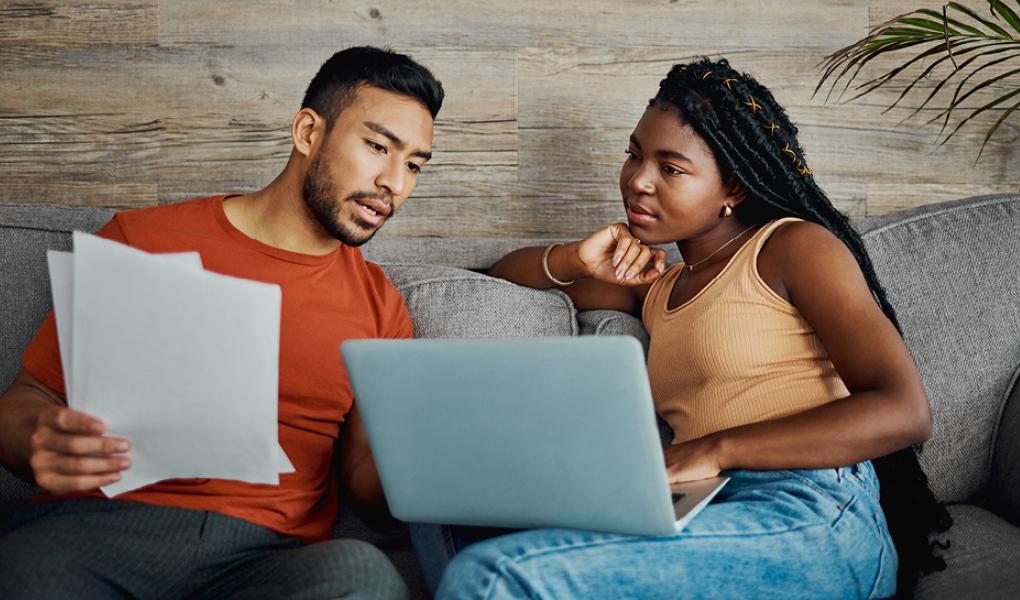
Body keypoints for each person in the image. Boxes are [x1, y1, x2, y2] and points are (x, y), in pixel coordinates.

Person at [412, 57, 951, 599]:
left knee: (495, 575)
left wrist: (713, 450)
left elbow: (903, 409)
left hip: (808, 506)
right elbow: (510, 276)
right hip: (701, 506)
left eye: (670, 168)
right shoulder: (659, 287)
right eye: (634, 155)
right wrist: (578, 258)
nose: (638, 181)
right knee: (440, 503)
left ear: (733, 188)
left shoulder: (792, 248)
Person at [0, 45, 443, 599]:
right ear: (308, 132)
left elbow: (365, 479)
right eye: (378, 146)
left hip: (266, 557)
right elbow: (29, 396)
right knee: (23, 572)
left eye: (414, 165)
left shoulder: (380, 306)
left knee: (361, 576)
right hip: (100, 532)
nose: (394, 183)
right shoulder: (142, 239)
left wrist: (448, 447)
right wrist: (37, 437)